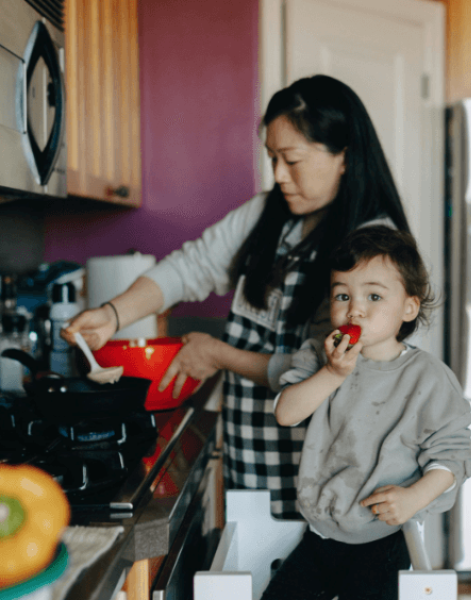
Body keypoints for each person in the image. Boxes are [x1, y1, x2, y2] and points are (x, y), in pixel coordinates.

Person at [62, 75, 411, 519]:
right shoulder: (269, 214)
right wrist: (112, 315)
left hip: (327, 476)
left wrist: (219, 355)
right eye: (272, 158)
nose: (279, 175)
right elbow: (191, 267)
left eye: (292, 159)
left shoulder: (374, 247)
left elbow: (332, 366)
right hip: (254, 461)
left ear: (344, 156)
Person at [262, 226, 471, 600]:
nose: (355, 308)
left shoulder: (428, 378)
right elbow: (286, 413)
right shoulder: (319, 355)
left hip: (386, 537)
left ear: (409, 307)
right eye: (342, 294)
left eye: (373, 295)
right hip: (321, 531)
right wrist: (332, 373)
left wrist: (414, 497)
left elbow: (454, 456)